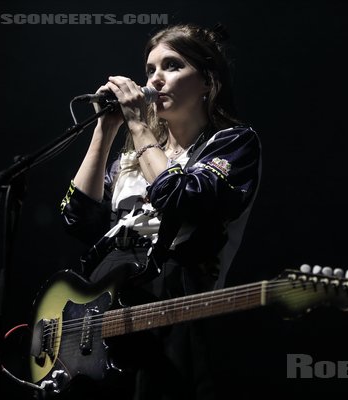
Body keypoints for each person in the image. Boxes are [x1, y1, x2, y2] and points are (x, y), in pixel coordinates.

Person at [59, 23, 262, 399]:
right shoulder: (134, 156)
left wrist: (137, 124)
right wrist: (105, 128)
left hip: (168, 313)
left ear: (207, 81)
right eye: (150, 70)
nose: (155, 80)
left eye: (171, 66)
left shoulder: (234, 143)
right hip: (102, 311)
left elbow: (183, 198)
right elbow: (78, 218)